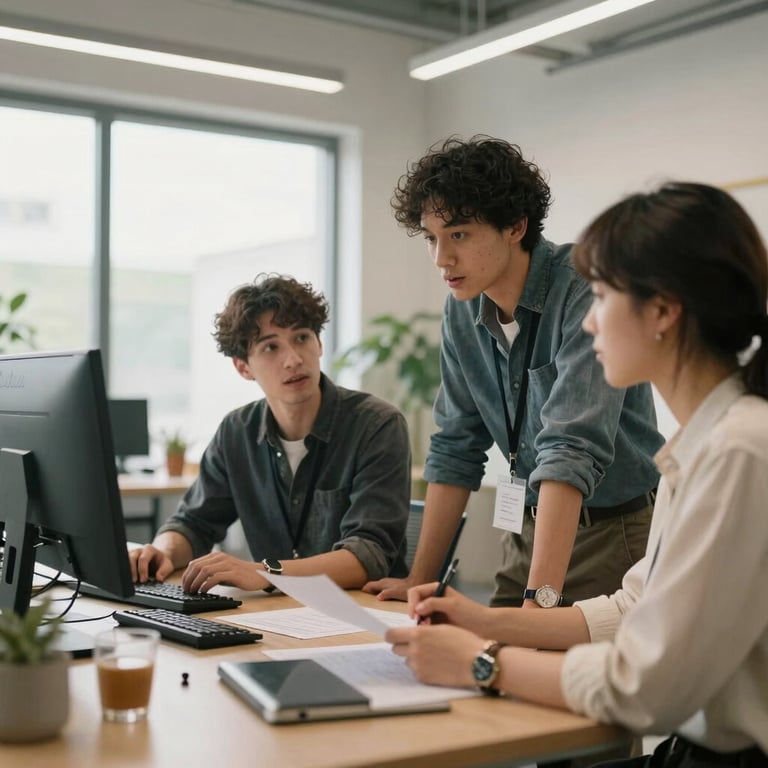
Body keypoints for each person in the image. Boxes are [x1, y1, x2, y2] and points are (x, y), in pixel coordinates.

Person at [386, 182, 768, 765]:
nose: (590, 324)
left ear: (664, 310)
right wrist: (483, 619)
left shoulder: (740, 451)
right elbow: (627, 610)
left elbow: (645, 690)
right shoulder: (695, 450)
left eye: (605, 297)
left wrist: (481, 659)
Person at [365, 136, 663, 608]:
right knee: (486, 669)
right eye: (431, 238)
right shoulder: (461, 310)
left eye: (458, 234)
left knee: (555, 672)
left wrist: (537, 603)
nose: (441, 258)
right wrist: (418, 579)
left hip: (613, 533)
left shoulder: (584, 289)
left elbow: (570, 449)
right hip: (528, 529)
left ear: (515, 226)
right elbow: (455, 444)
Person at [129, 273, 411, 593]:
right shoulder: (236, 433)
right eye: (270, 347)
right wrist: (162, 552)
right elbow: (193, 523)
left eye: (302, 338)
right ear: (243, 367)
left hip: (361, 613)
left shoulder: (376, 425)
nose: (292, 359)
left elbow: (367, 555)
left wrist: (267, 572)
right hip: (278, 614)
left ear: (319, 344)